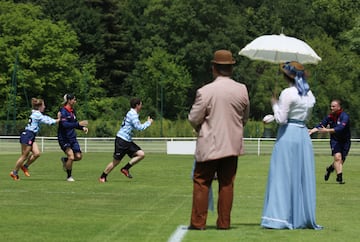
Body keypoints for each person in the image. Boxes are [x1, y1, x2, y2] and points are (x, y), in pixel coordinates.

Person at [188, 49, 250, 230]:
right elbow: (244, 117)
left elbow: (193, 117)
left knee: (201, 182)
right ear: (231, 68)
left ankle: (198, 222)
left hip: (209, 144)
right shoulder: (242, 90)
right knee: (227, 183)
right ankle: (224, 222)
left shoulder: (205, 91)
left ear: (214, 68)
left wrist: (200, 128)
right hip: (232, 145)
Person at [261, 61, 322, 230]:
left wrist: (274, 104)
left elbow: (282, 119)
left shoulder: (287, 93)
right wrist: (276, 113)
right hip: (302, 134)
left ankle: (279, 217)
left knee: (282, 174)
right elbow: (302, 116)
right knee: (301, 175)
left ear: (286, 76)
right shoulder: (309, 94)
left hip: (288, 134)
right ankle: (300, 215)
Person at [99, 97, 153, 182]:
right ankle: (103, 176)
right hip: (122, 140)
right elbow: (139, 128)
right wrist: (148, 123)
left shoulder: (132, 113)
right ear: (137, 105)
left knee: (141, 154)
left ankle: (125, 169)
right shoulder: (133, 115)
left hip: (127, 140)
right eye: (141, 104)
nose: (141, 106)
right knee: (116, 161)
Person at [10, 98, 60, 180]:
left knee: (37, 153)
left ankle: (25, 166)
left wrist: (56, 120)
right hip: (28, 135)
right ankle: (14, 172)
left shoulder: (36, 113)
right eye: (43, 105)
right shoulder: (37, 114)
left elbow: (46, 118)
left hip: (31, 135)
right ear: (39, 106)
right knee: (24, 156)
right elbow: (47, 121)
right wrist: (58, 120)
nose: (44, 106)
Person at [309, 99, 350, 184]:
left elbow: (340, 128)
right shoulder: (329, 117)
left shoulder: (344, 116)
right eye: (331, 106)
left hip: (345, 141)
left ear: (339, 107)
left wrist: (327, 130)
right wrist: (312, 130)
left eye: (333, 106)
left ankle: (330, 169)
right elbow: (321, 125)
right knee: (338, 158)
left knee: (340, 161)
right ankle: (340, 179)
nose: (331, 108)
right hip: (335, 140)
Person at [57, 94, 88, 182]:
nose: (75, 101)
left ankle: (65, 160)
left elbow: (73, 124)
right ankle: (69, 176)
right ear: (69, 100)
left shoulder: (72, 111)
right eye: (74, 99)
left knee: (78, 156)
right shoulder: (63, 111)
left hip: (72, 138)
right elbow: (64, 124)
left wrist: (82, 128)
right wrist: (79, 124)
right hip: (64, 138)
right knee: (71, 156)